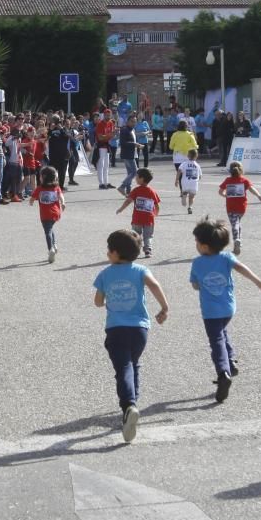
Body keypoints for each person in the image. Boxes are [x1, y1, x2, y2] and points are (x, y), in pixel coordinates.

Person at [92, 229, 169, 443]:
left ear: (116, 253)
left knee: (123, 367)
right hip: (140, 329)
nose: (107, 253)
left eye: (109, 250)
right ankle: (134, 401)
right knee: (133, 362)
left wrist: (107, 301)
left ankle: (128, 405)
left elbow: (97, 302)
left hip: (116, 329)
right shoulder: (140, 270)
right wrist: (164, 307)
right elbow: (155, 285)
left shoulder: (106, 274)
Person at [189, 217, 261, 403]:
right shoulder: (226, 257)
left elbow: (195, 285)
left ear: (204, 246)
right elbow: (241, 268)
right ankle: (231, 360)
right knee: (223, 331)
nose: (195, 245)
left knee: (216, 340)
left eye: (196, 242)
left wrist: (201, 284)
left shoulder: (197, 263)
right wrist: (258, 282)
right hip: (228, 308)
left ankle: (223, 372)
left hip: (210, 311)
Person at [219, 161, 261, 256]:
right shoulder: (244, 180)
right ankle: (239, 239)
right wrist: (258, 195)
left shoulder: (228, 180)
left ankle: (236, 239)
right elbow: (252, 189)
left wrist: (225, 195)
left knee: (234, 223)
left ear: (230, 170)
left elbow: (220, 191)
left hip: (231, 206)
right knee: (238, 222)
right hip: (242, 207)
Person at [116, 168, 160, 258]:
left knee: (135, 235)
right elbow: (156, 205)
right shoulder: (152, 191)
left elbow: (128, 201)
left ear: (142, 178)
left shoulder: (136, 190)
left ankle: (134, 250)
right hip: (149, 218)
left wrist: (121, 209)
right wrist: (156, 214)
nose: (135, 178)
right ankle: (148, 250)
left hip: (137, 218)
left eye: (136, 176)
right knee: (148, 236)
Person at [30, 166, 66, 263]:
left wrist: (31, 201)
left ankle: (51, 249)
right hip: (55, 213)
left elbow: (32, 197)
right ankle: (54, 244)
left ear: (44, 177)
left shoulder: (39, 188)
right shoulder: (56, 187)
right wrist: (63, 203)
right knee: (50, 228)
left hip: (45, 214)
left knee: (47, 231)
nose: (39, 178)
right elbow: (61, 195)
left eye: (40, 176)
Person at [45, 115, 71, 193]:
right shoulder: (50, 130)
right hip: (53, 155)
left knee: (62, 172)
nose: (55, 123)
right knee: (52, 172)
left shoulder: (63, 129)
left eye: (57, 121)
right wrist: (50, 129)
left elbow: (67, 136)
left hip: (62, 155)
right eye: (54, 120)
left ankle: (61, 187)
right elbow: (46, 138)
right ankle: (51, 186)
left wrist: (61, 129)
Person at [117, 115, 140, 196]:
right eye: (132, 121)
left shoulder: (132, 130)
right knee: (134, 172)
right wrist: (135, 144)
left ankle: (128, 191)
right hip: (127, 154)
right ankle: (122, 187)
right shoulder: (124, 130)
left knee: (130, 173)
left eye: (135, 121)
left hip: (132, 153)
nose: (134, 123)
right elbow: (123, 143)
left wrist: (136, 145)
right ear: (127, 121)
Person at [175, 148, 201, 214]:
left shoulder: (184, 164)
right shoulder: (197, 165)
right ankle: (190, 207)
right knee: (192, 196)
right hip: (194, 183)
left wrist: (177, 180)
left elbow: (179, 171)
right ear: (196, 156)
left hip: (185, 182)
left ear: (188, 156)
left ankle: (184, 196)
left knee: (185, 191)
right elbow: (200, 176)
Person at [94, 111, 115, 189]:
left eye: (109, 115)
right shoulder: (100, 124)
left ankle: (106, 182)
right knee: (101, 165)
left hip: (107, 145)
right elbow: (100, 137)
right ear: (104, 115)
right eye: (106, 115)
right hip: (101, 146)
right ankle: (101, 183)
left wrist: (108, 136)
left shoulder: (111, 123)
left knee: (106, 165)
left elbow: (111, 135)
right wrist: (109, 136)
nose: (108, 116)